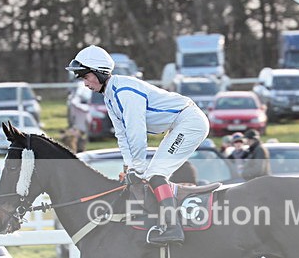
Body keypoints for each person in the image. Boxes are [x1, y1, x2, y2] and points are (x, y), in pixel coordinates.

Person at [66, 45, 210, 244]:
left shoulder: (125, 91)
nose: (84, 83)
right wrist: (129, 166)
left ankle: (173, 228)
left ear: (99, 72)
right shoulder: (110, 96)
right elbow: (122, 135)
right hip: (179, 124)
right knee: (149, 175)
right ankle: (163, 222)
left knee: (154, 175)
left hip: (190, 122)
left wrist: (138, 167)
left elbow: (136, 132)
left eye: (85, 76)